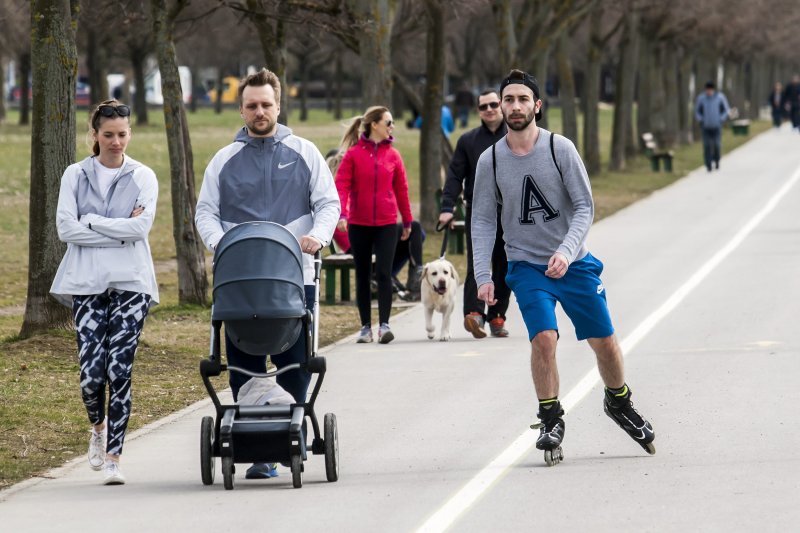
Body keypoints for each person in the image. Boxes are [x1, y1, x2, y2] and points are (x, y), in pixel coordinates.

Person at [471, 69, 656, 463]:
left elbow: (586, 206)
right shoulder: (490, 160)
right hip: (526, 267)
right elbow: (483, 219)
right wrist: (483, 276)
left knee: (604, 343)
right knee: (545, 339)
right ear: (500, 107)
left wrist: (567, 251)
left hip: (573, 264)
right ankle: (550, 415)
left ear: (537, 106)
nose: (515, 106)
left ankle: (619, 402)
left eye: (523, 99)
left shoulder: (560, 149)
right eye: (508, 100)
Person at [195, 68, 340, 479]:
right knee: (243, 358)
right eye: (252, 105)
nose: (260, 111)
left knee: (294, 358)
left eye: (266, 104)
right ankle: (256, 443)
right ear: (241, 109)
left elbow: (329, 203)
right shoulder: (224, 160)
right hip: (240, 280)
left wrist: (317, 235)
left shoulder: (304, 152)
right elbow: (206, 211)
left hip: (294, 277)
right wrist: (220, 243)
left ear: (278, 105)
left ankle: (282, 441)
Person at [50, 99, 159, 485]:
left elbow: (140, 229)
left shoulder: (143, 176)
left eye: (123, 134)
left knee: (120, 368)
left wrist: (91, 222)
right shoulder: (75, 175)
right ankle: (97, 428)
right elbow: (66, 229)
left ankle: (114, 457)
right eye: (109, 135)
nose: (117, 142)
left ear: (130, 133)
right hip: (86, 284)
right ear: (94, 135)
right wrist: (114, 228)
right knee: (91, 375)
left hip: (132, 282)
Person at [334, 106, 414, 344]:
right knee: (362, 275)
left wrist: (407, 220)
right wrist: (343, 215)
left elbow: (402, 189)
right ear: (375, 125)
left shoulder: (394, 156)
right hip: (359, 224)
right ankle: (366, 327)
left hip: (387, 224)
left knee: (383, 273)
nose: (392, 127)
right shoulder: (353, 155)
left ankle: (385, 326)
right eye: (388, 122)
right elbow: (342, 186)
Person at [439, 89, 510, 339]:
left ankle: (497, 316)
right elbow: (455, 175)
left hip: (510, 213)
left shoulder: (514, 137)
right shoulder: (468, 141)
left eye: (493, 104)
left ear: (501, 106)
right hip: (479, 212)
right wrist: (447, 208)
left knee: (504, 264)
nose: (489, 110)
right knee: (477, 262)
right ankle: (474, 314)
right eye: (483, 107)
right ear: (478, 111)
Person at [331, 220, 425, 301]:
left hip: (363, 241)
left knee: (417, 233)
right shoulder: (341, 204)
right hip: (360, 243)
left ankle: (391, 275)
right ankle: (414, 280)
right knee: (414, 227)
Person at [694, 81, 730, 171]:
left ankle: (717, 160)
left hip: (717, 126)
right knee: (707, 145)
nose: (709, 92)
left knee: (717, 145)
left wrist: (721, 118)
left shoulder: (720, 98)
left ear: (713, 90)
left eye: (710, 90)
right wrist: (700, 119)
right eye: (707, 90)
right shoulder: (701, 98)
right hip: (705, 126)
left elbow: (726, 110)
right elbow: (697, 111)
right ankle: (708, 164)